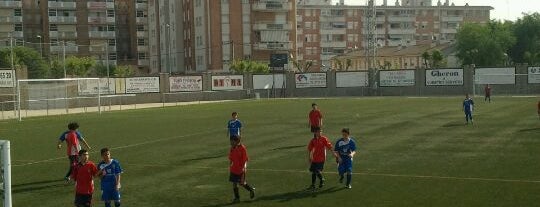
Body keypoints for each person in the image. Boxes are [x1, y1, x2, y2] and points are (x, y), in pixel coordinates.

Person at [228, 135, 255, 203]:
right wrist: (230, 164)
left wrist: (244, 168)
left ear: (237, 141)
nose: (231, 142)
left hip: (240, 169)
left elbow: (245, 159)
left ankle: (251, 189)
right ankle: (237, 198)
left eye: (232, 141)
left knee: (242, 183)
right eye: (230, 141)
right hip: (234, 169)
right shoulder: (232, 148)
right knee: (234, 183)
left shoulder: (242, 148)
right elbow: (231, 157)